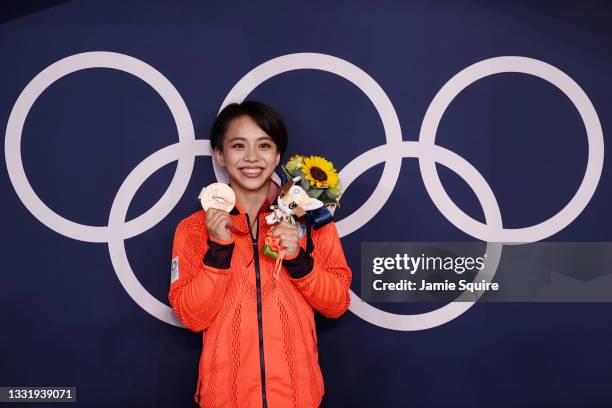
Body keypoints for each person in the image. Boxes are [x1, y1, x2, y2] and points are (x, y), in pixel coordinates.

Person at [168, 100, 352, 408]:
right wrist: (218, 251)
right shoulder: (193, 229)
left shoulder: (311, 220)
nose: (251, 157)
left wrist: (299, 260)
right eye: (238, 145)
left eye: (264, 145)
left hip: (298, 398)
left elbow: (337, 303)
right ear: (220, 155)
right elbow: (191, 316)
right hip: (224, 399)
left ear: (278, 155)